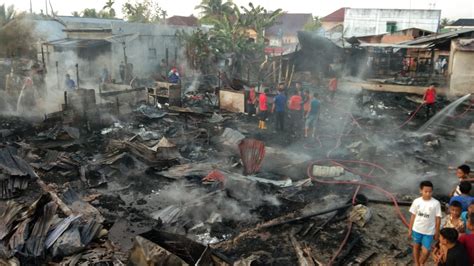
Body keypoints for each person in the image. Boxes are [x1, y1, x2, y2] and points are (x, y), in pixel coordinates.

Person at [408, 180, 442, 266]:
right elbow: (413, 216)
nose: (428, 194)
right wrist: (410, 229)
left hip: (429, 231)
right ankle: (417, 263)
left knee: (426, 250)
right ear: (421, 191)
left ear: (432, 191)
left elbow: (438, 219)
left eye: (430, 192)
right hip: (417, 229)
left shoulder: (436, 203)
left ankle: (422, 262)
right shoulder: (416, 201)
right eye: (425, 191)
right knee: (416, 246)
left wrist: (437, 232)